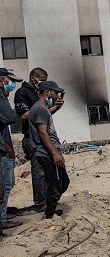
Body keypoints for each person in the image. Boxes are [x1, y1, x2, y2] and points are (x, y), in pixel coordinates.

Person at [14, 68, 61, 212]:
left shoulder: (37, 95)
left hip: (41, 137)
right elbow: (23, 117)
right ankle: (40, 203)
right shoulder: (22, 93)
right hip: (32, 138)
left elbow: (42, 116)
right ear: (33, 78)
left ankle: (47, 201)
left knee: (46, 171)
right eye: (42, 80)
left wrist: (55, 108)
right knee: (39, 172)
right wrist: (40, 108)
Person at [28, 81, 69, 219]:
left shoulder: (42, 109)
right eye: (55, 93)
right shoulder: (40, 109)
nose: (57, 96)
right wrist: (54, 153)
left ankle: (50, 208)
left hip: (49, 152)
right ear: (47, 93)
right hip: (47, 153)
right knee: (56, 185)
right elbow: (43, 133)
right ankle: (49, 215)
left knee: (63, 182)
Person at [0, 68, 22, 229]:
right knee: (5, 186)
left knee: (7, 185)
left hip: (4, 147)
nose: (11, 84)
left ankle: (3, 215)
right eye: (9, 80)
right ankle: (2, 220)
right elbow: (10, 117)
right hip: (3, 150)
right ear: (1, 79)